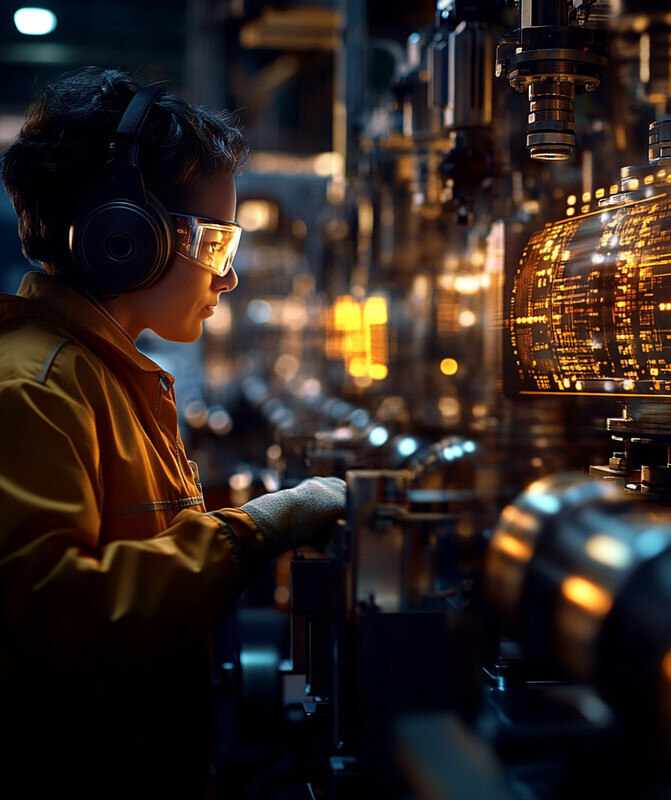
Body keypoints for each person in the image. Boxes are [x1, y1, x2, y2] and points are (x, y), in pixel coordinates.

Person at [0, 67, 346, 798]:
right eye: (217, 244)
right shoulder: (35, 390)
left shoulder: (111, 377)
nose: (228, 278)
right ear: (126, 237)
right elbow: (58, 615)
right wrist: (256, 529)